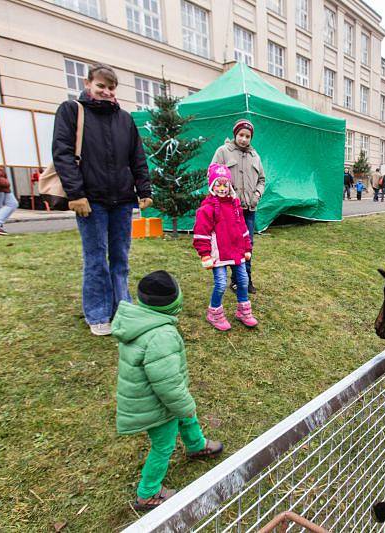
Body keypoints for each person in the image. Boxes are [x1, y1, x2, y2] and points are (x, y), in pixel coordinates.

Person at [52, 63, 152, 336]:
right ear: (88, 84)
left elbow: (137, 157)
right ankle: (97, 312)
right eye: (101, 87)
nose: (106, 92)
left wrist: (144, 190)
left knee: (121, 257)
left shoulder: (125, 119)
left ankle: (123, 307)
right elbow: (62, 154)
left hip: (121, 199)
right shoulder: (72, 111)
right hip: (90, 201)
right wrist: (76, 194)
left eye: (111, 88)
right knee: (95, 258)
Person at [112, 270, 224, 512]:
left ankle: (196, 445)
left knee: (186, 416)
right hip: (156, 403)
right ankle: (148, 492)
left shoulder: (140, 320)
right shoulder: (161, 335)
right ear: (175, 304)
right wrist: (184, 403)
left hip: (155, 396)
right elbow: (167, 384)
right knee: (164, 444)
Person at [193, 164, 258, 330]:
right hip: (218, 254)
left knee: (243, 280)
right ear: (212, 185)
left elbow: (243, 228)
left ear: (229, 185)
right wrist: (205, 254)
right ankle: (214, 313)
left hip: (237, 251)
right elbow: (201, 234)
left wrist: (247, 248)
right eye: (218, 184)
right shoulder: (206, 209)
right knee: (221, 284)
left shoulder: (235, 205)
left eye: (225, 184)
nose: (222, 188)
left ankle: (243, 311)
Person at [211, 119, 266, 295]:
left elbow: (262, 180)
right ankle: (232, 279)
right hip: (229, 210)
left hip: (249, 210)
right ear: (235, 134)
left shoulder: (255, 156)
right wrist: (226, 195)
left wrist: (257, 195)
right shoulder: (223, 151)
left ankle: (246, 280)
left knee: (247, 244)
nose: (244, 139)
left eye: (247, 136)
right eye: (241, 135)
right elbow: (212, 174)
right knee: (229, 244)